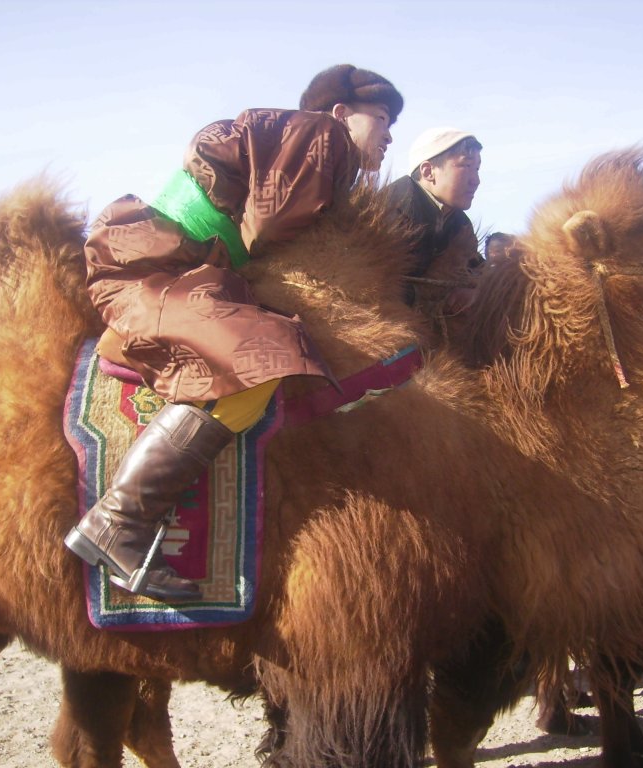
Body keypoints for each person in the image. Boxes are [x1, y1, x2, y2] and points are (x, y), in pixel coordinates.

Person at [64, 64, 404, 602]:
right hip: (152, 268)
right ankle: (118, 521)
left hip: (172, 264)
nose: (389, 136)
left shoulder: (314, 145)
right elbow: (267, 228)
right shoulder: (324, 136)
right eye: (382, 119)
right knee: (255, 365)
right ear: (342, 114)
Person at [384, 127, 483, 309]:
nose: (476, 180)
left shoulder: (460, 225)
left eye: (477, 169)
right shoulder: (391, 210)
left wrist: (476, 289)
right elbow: (376, 286)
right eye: (466, 166)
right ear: (429, 172)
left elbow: (478, 270)